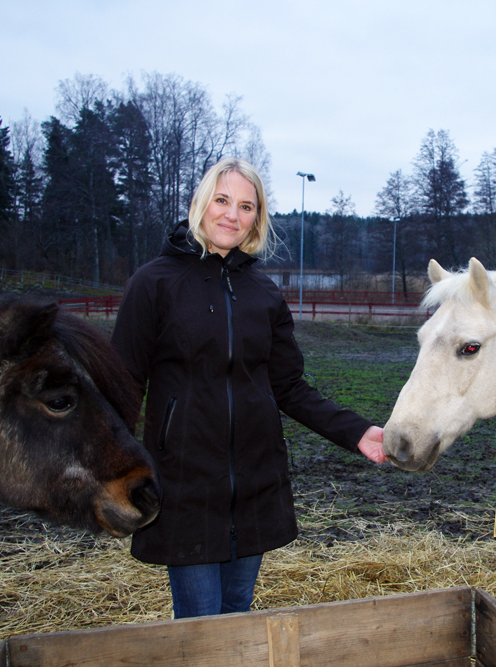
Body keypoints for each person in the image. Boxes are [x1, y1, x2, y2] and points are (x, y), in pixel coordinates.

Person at [111, 157, 387, 619]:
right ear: (201, 203)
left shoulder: (263, 292)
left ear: (256, 218)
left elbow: (290, 387)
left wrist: (357, 432)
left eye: (245, 206)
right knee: (201, 623)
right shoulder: (154, 284)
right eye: (222, 200)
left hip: (256, 479)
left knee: (238, 612)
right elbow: (122, 385)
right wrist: (116, 473)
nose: (231, 215)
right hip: (186, 482)